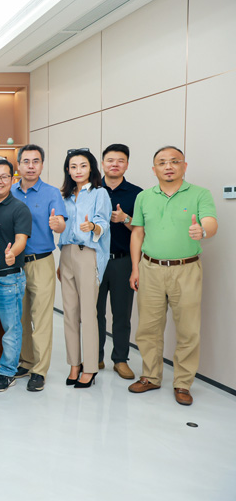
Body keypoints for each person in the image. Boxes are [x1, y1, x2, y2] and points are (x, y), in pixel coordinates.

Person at [128, 146, 217, 406]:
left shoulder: (200, 193)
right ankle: (150, 376)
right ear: (154, 169)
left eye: (175, 161)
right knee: (148, 328)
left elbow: (210, 222)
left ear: (184, 166)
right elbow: (137, 233)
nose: (168, 166)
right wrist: (135, 268)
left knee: (188, 330)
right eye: (162, 162)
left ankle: (182, 383)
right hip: (150, 268)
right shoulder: (144, 196)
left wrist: (202, 231)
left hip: (186, 269)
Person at [12, 144, 67, 392]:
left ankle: (39, 370)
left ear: (42, 165)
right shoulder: (9, 191)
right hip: (14, 263)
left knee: (41, 318)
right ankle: (26, 361)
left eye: (36, 161)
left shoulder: (52, 193)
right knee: (20, 317)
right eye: (26, 161)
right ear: (18, 165)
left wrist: (58, 225)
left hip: (41, 261)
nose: (31, 166)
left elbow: (61, 224)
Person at [57, 148, 112, 389]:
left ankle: (90, 367)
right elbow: (62, 227)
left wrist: (93, 227)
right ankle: (74, 364)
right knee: (69, 314)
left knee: (88, 314)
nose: (78, 170)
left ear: (91, 168)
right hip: (66, 254)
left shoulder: (100, 193)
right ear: (68, 170)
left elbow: (103, 223)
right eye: (73, 166)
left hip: (87, 253)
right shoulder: (65, 196)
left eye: (83, 165)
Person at [0, 159, 32, 393]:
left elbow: (21, 239)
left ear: (13, 179)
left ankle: (8, 372)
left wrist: (13, 254)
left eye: (4, 177)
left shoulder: (19, 208)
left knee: (11, 327)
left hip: (8, 278)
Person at [96, 144, 142, 379]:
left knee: (122, 314)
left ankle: (120, 359)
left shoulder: (137, 194)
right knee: (94, 312)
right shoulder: (92, 190)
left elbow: (142, 231)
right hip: (94, 261)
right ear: (102, 163)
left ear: (127, 164)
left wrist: (125, 219)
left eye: (120, 160)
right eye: (110, 160)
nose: (115, 164)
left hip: (122, 261)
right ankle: (95, 356)